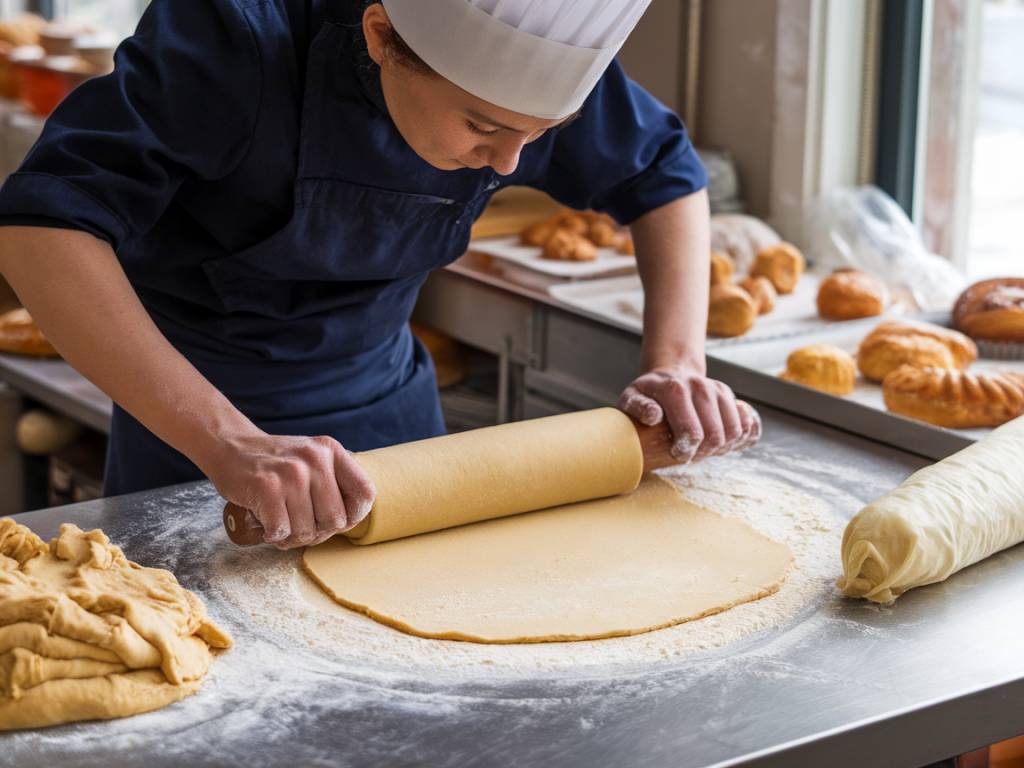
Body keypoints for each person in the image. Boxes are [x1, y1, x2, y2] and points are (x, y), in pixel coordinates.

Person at [0, 0, 759, 549]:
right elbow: (42, 228)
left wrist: (677, 364)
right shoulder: (236, 38)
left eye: (543, 136)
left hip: (401, 434)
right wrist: (229, 443)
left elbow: (664, 171)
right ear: (382, 37)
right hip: (197, 440)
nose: (509, 164)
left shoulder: (515, 87)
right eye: (483, 127)